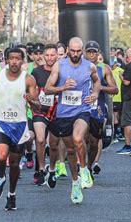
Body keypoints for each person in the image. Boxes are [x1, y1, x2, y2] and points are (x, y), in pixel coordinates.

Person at [45, 37, 101, 204]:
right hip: (63, 114)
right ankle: (75, 182)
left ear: (82, 51)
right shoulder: (59, 65)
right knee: (70, 151)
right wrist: (62, 87)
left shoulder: (89, 66)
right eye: (73, 51)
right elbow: (48, 89)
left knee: (78, 138)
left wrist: (96, 94)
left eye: (79, 51)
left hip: (82, 110)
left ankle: (84, 170)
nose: (76, 54)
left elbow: (97, 82)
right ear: (68, 50)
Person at [0, 48, 39, 210]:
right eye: (11, 58)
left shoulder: (28, 79)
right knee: (1, 156)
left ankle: (11, 194)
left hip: (19, 124)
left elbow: (38, 105)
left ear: (22, 61)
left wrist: (32, 100)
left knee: (15, 164)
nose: (14, 61)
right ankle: (1, 177)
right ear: (6, 60)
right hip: (1, 122)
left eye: (18, 58)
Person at [83, 41, 118, 176]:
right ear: (85, 53)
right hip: (81, 107)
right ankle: (82, 167)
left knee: (94, 141)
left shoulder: (104, 68)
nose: (91, 55)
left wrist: (100, 87)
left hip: (97, 109)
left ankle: (89, 166)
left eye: (94, 52)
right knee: (81, 138)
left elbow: (114, 89)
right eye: (89, 52)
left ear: (98, 54)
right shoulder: (78, 67)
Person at [30, 44, 59, 187]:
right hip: (40, 110)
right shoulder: (36, 72)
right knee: (40, 140)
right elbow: (32, 91)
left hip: (57, 111)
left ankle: (52, 170)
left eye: (52, 55)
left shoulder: (62, 71)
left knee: (53, 145)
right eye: (46, 55)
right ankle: (41, 169)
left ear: (57, 55)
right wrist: (33, 102)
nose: (49, 58)